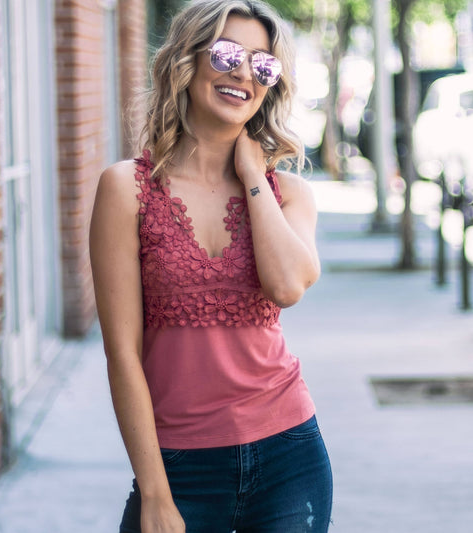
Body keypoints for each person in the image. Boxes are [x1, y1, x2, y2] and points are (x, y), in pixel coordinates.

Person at [89, 1, 333, 531]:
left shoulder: (288, 194)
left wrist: (250, 174)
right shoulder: (125, 190)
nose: (244, 72)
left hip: (289, 455)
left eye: (263, 65)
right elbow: (122, 355)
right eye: (227, 55)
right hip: (178, 467)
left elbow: (288, 286)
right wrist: (153, 491)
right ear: (188, 60)